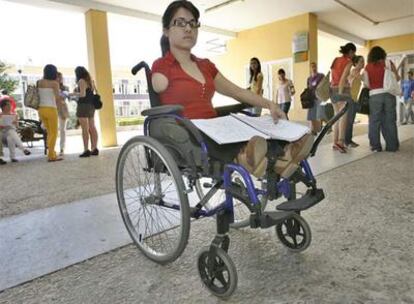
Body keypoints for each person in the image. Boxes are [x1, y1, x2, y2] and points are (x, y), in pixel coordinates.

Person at [152, 0, 313, 179]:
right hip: (185, 131)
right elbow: (158, 85)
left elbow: (237, 91)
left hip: (213, 125)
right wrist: (166, 61)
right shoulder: (162, 66)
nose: (188, 28)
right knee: (218, 136)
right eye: (180, 23)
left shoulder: (206, 66)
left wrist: (270, 104)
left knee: (249, 123)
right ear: (166, 31)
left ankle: (284, 156)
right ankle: (247, 158)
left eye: (193, 23)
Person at [364, 46, 400, 152]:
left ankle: (375, 146)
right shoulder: (388, 63)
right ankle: (392, 146)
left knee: (374, 122)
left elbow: (367, 84)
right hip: (389, 95)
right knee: (390, 121)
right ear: (382, 54)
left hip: (374, 95)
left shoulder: (367, 67)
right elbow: (397, 78)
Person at [329, 42, 356, 153]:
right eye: (354, 52)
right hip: (342, 90)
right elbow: (343, 78)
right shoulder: (348, 62)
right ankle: (340, 142)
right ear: (350, 52)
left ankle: (335, 142)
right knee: (343, 117)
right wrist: (341, 93)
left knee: (336, 117)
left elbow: (333, 76)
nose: (354, 55)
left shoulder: (335, 60)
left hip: (332, 89)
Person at [38, 64, 64, 162]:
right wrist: (60, 108)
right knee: (54, 133)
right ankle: (51, 156)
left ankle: (52, 153)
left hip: (41, 109)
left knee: (49, 132)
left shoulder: (39, 82)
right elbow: (57, 98)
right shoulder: (54, 83)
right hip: (51, 109)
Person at [72, 66, 99, 157]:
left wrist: (72, 94)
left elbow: (82, 94)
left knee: (85, 128)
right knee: (92, 127)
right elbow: (94, 93)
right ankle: (94, 148)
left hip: (83, 106)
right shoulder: (91, 81)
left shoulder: (81, 81)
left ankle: (86, 149)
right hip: (91, 106)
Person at [345, 55, 365, 148]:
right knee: (349, 121)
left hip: (353, 99)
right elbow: (363, 78)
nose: (363, 63)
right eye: (361, 61)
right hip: (350, 99)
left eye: (363, 61)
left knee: (350, 121)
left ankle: (348, 140)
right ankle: (347, 141)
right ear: (355, 63)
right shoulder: (354, 71)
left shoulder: (357, 72)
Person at [306, 62, 324, 134]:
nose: (314, 68)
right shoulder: (309, 78)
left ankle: (321, 127)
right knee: (311, 114)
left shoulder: (321, 76)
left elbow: (324, 85)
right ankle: (313, 129)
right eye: (312, 67)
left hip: (319, 97)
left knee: (319, 113)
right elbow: (308, 88)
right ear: (310, 68)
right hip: (311, 98)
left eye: (315, 66)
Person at [57, 72, 70, 155]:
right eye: (57, 77)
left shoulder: (65, 88)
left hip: (62, 109)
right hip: (53, 108)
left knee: (62, 130)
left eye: (60, 77)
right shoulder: (50, 86)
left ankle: (62, 148)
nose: (59, 79)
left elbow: (63, 97)